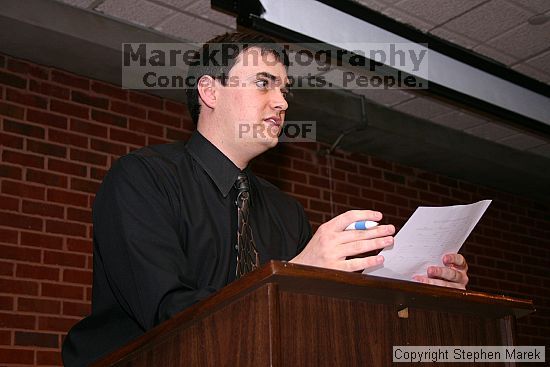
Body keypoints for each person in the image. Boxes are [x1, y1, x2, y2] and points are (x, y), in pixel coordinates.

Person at [62, 32, 468, 366]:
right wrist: (293, 271)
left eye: (285, 90)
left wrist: (414, 288)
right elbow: (170, 316)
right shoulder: (143, 178)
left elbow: (318, 322)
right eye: (263, 84)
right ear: (209, 91)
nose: (283, 102)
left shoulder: (286, 213)